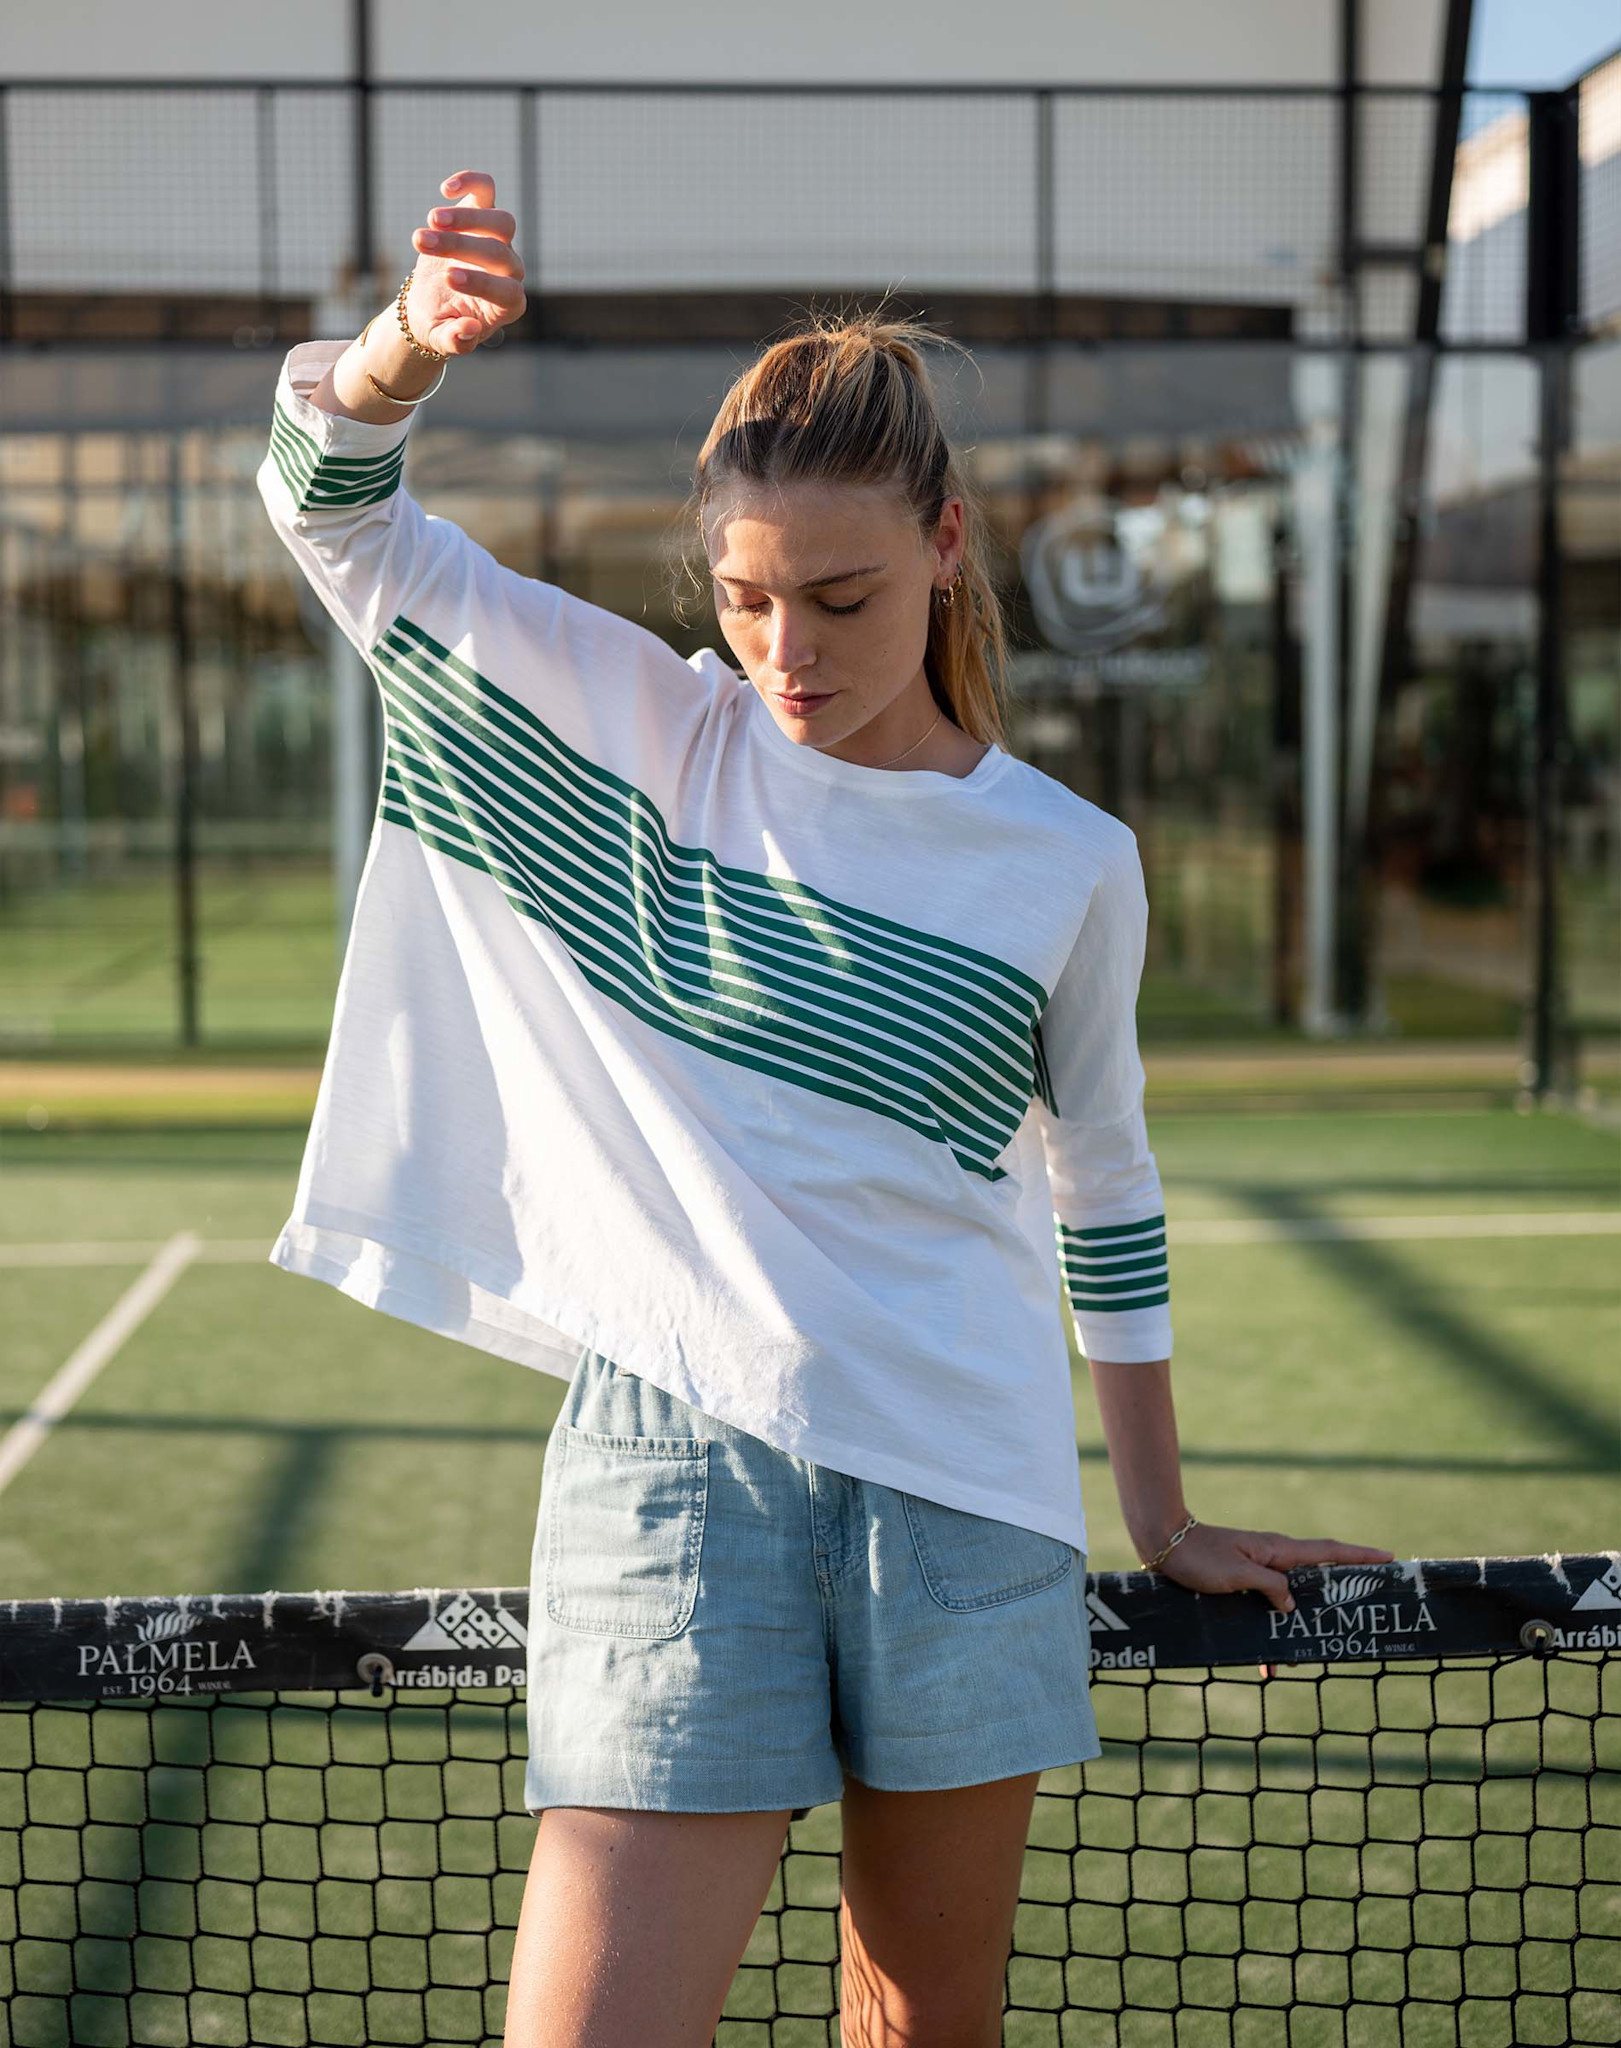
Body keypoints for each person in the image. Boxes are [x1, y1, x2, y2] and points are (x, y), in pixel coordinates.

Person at [257, 169, 1394, 2048]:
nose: (788, 651)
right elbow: (334, 508)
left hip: (967, 1491)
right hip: (669, 1469)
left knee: (920, 2034)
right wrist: (402, 350)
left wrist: (1162, 1511)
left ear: (946, 546)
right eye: (747, 599)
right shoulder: (630, 732)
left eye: (841, 597)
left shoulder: (1065, 860)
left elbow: (1104, 1180)